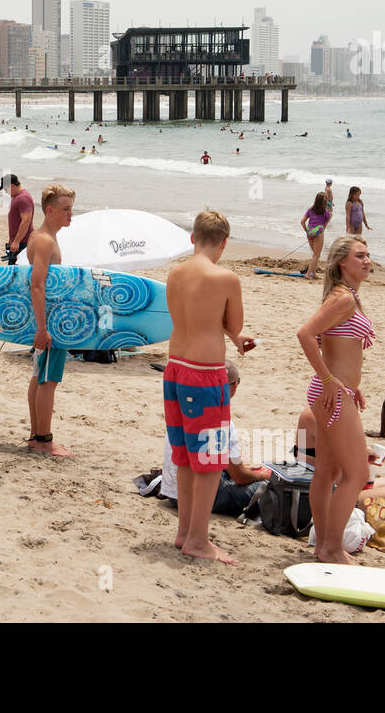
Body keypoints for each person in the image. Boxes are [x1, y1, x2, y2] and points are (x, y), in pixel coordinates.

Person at [162, 209, 252, 564]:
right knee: (211, 460)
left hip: (175, 368)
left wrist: (230, 332)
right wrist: (238, 335)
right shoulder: (226, 277)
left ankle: (185, 532)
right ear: (224, 243)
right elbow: (233, 322)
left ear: (192, 238)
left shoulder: (175, 273)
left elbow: (191, 319)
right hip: (204, 372)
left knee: (185, 455)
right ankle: (199, 539)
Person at [296, 235, 375, 564]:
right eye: (360, 255)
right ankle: (331, 548)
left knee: (326, 471)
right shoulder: (344, 299)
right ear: (343, 262)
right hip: (332, 394)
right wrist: (331, 379)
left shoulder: (344, 297)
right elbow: (304, 334)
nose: (367, 260)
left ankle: (323, 547)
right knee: (356, 474)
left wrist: (343, 380)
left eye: (368, 254)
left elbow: (326, 340)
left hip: (334, 392)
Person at [157, 363, 270, 515]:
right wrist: (264, 475)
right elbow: (240, 477)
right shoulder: (220, 418)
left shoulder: (184, 406)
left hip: (173, 491)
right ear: (234, 385)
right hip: (202, 498)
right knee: (267, 488)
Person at [25, 184, 76, 459]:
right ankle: (44, 440)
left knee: (39, 376)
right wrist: (43, 328)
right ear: (50, 210)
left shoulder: (45, 236)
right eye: (66, 209)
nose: (71, 214)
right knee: (48, 379)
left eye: (71, 209)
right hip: (50, 321)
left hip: (48, 318)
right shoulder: (44, 240)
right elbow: (36, 286)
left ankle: (36, 436)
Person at [295, 408, 385, 502]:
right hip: (332, 495)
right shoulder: (317, 416)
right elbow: (341, 452)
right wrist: (362, 452)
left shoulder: (310, 413)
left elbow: (323, 452)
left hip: (334, 486)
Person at [0, 173, 34, 264]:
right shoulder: (17, 197)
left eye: (6, 190)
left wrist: (16, 241)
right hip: (18, 241)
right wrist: (12, 240)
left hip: (23, 242)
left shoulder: (23, 198)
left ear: (12, 186)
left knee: (16, 271)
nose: (6, 192)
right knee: (13, 270)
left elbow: (26, 221)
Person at [301, 192, 332, 280]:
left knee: (314, 255)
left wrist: (307, 231)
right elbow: (324, 227)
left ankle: (313, 274)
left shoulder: (310, 210)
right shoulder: (326, 213)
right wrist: (319, 232)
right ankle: (307, 274)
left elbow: (302, 221)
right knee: (316, 255)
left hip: (310, 233)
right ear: (324, 202)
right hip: (318, 234)